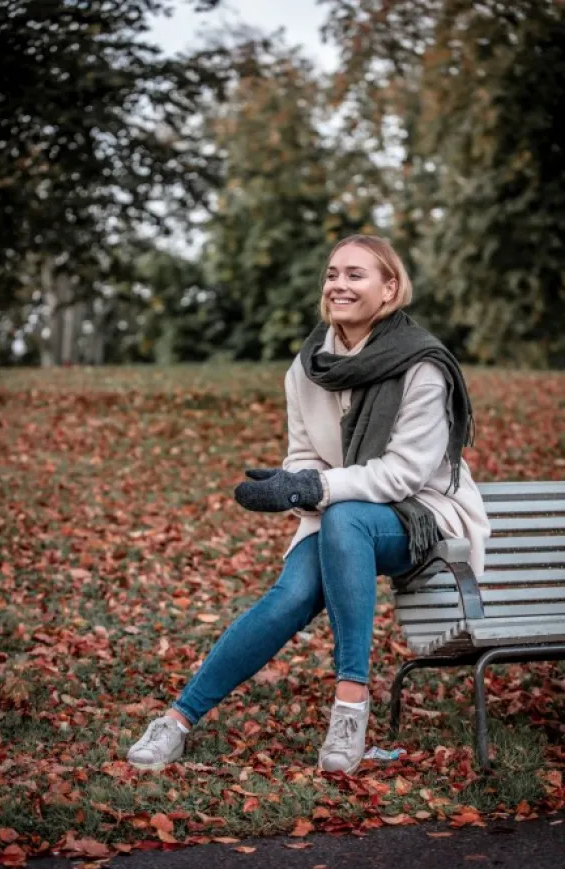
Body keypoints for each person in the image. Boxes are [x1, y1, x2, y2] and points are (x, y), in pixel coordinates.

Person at [126, 234, 491, 774]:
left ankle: (350, 708)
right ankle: (177, 721)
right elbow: (305, 455)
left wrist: (313, 488)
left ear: (390, 288)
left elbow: (405, 474)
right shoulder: (307, 369)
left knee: (346, 516)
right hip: (344, 513)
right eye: (332, 274)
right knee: (291, 595)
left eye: (356, 275)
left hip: (423, 515)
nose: (338, 284)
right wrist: (297, 482)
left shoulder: (423, 366)